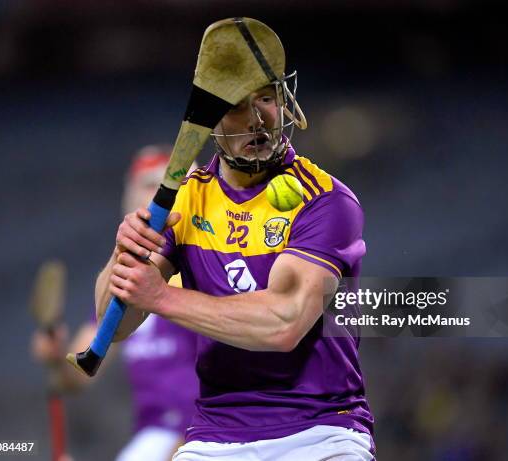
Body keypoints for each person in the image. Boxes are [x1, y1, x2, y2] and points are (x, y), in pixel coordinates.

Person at [97, 22, 375, 461]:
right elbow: (115, 325)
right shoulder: (187, 200)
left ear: (285, 102)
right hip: (215, 437)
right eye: (236, 105)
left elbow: (284, 323)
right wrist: (123, 257)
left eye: (266, 97)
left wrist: (162, 298)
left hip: (322, 431)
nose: (256, 117)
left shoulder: (326, 200)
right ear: (209, 119)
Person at [31, 145, 198, 461]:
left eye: (175, 184)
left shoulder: (212, 270)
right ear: (129, 198)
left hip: (216, 433)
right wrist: (56, 357)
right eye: (150, 184)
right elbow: (79, 374)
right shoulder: (125, 285)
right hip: (156, 436)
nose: (163, 194)